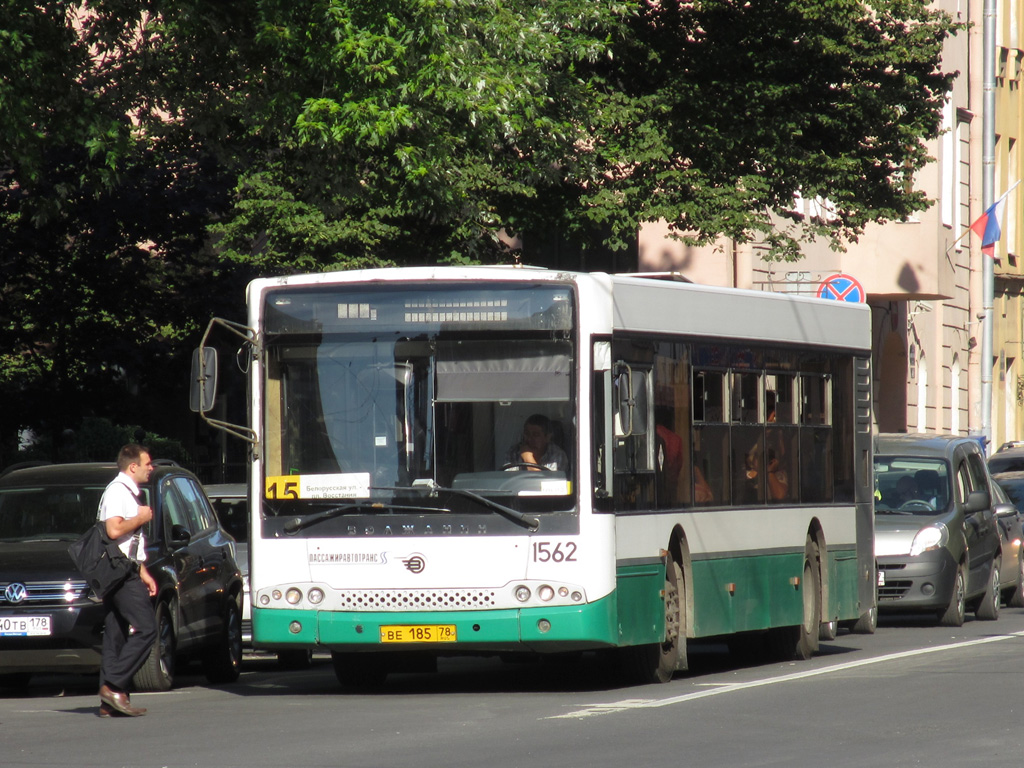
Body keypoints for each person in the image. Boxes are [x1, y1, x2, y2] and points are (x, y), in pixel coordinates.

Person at [96, 444, 158, 718]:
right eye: (147, 463)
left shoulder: (126, 491)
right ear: (133, 466)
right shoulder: (118, 492)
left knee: (116, 634)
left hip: (126, 567)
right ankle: (113, 686)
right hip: (119, 570)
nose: (151, 468)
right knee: (147, 629)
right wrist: (140, 517)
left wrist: (143, 570)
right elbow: (114, 529)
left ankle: (109, 702)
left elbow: (127, 541)